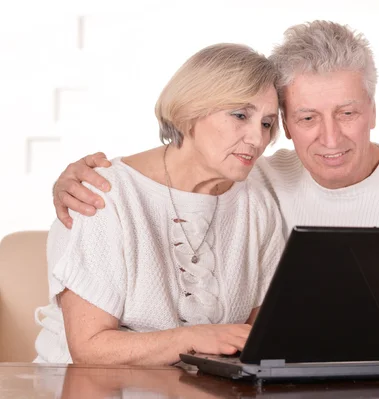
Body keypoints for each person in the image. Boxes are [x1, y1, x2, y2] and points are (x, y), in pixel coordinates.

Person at [51, 20, 379, 372]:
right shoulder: (250, 180)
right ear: (291, 126)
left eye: (348, 112)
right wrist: (74, 178)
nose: (330, 138)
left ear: (373, 111)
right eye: (307, 117)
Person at [34, 43, 284, 365]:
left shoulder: (257, 205)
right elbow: (89, 349)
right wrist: (193, 339)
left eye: (266, 123)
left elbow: (256, 339)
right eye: (240, 115)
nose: (257, 139)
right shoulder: (104, 193)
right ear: (191, 110)